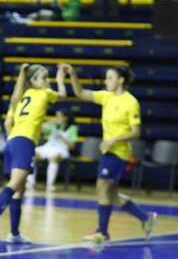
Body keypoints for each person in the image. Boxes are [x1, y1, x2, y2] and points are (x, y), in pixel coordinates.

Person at [63, 63, 157, 245]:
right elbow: (80, 93)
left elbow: (136, 132)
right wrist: (73, 74)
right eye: (106, 78)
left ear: (121, 81)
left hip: (119, 152)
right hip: (108, 152)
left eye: (110, 78)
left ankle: (102, 232)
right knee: (111, 193)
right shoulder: (106, 97)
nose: (106, 81)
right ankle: (146, 218)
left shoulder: (131, 102)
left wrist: (114, 140)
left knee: (102, 186)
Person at [0, 63, 67, 243]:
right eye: (44, 78)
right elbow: (63, 95)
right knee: (16, 183)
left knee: (19, 190)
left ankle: (14, 233)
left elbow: (7, 124)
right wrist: (60, 79)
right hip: (25, 141)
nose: (47, 81)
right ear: (33, 80)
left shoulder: (18, 98)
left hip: (12, 141)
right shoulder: (44, 93)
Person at [27, 109, 78, 191]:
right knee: (31, 154)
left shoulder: (72, 128)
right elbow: (40, 128)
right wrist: (51, 122)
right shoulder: (53, 125)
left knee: (54, 157)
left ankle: (50, 185)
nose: (57, 118)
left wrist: (62, 137)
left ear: (66, 118)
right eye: (56, 116)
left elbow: (72, 146)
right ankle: (30, 184)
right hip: (48, 146)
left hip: (62, 149)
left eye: (59, 116)